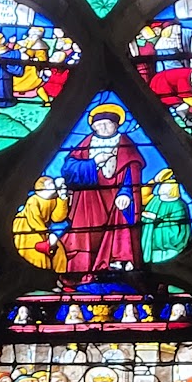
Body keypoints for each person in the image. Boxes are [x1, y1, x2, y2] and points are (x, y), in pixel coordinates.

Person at [60, 104, 145, 275]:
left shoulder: (125, 143)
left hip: (116, 196)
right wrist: (94, 163)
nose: (103, 128)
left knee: (119, 226)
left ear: (117, 125)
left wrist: (126, 192)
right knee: (85, 235)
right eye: (99, 125)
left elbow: (132, 168)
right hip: (88, 197)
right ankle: (82, 271)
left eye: (108, 124)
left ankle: (116, 264)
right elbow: (68, 169)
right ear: (93, 127)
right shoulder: (86, 143)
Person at [13, 177, 69, 273]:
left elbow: (57, 218)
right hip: (27, 229)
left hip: (43, 229)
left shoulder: (53, 200)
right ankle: (41, 277)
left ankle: (59, 275)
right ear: (42, 188)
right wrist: (46, 235)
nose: (53, 185)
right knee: (38, 255)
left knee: (59, 252)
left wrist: (62, 199)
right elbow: (34, 219)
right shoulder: (33, 200)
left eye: (53, 183)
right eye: (50, 184)